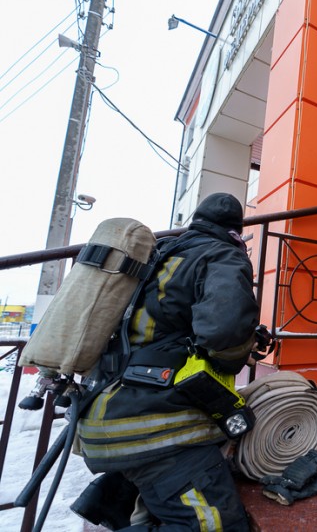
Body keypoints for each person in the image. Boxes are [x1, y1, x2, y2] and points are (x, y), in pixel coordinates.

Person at [75, 192, 260, 530]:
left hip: (104, 405)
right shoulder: (223, 255)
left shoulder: (163, 254)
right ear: (236, 231)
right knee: (213, 525)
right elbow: (226, 334)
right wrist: (239, 350)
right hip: (155, 424)